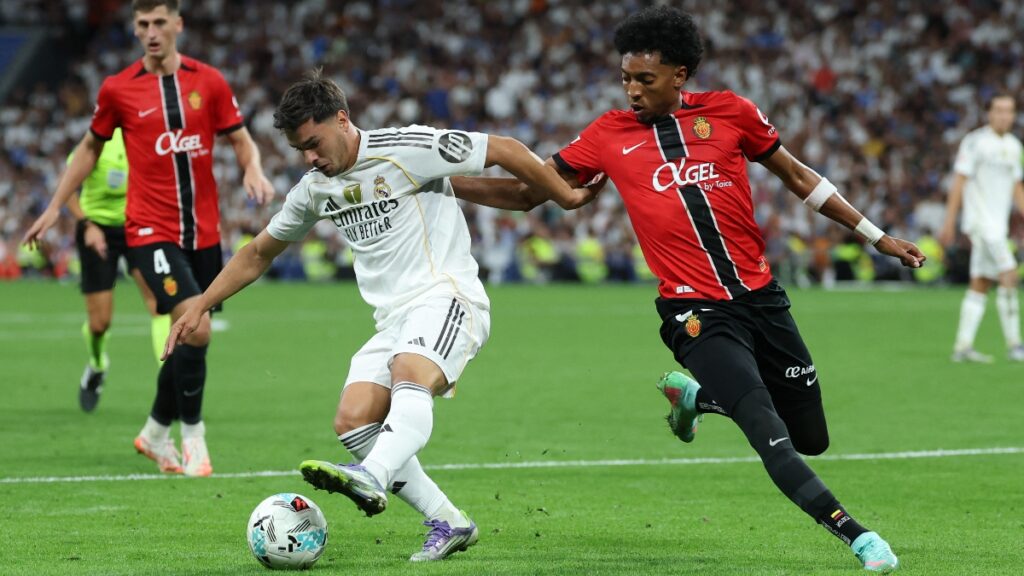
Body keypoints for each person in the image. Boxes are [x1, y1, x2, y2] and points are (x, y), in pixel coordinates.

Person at [457, 6, 924, 573]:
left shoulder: (731, 113)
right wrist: (436, 181)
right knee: (764, 427)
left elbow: (801, 178)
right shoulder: (607, 135)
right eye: (625, 78)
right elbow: (528, 193)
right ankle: (857, 536)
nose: (631, 90)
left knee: (811, 436)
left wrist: (876, 235)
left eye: (644, 80)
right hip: (693, 309)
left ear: (679, 75)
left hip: (761, 298)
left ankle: (695, 397)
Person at [162, 69, 593, 561]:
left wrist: (565, 196)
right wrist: (201, 302)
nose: (309, 157)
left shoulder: (406, 146)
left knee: (409, 375)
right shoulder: (314, 189)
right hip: (393, 320)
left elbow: (506, 149)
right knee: (353, 422)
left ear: (342, 120)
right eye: (300, 149)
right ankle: (449, 521)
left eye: (314, 143)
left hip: (447, 296)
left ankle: (372, 476)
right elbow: (259, 252)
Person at [23, 0, 274, 476]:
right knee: (196, 326)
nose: (152, 32)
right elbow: (89, 149)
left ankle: (155, 432)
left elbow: (241, 138)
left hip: (203, 233)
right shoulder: (119, 89)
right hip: (148, 231)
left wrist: (254, 170)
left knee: (191, 335)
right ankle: (193, 437)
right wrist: (56, 206)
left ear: (178, 24)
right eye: (143, 25)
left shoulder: (210, 82)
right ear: (136, 30)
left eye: (160, 22)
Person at [57, 128, 172, 412]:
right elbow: (68, 187)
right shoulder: (95, 141)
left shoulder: (145, 137)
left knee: (159, 304)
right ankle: (97, 365)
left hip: (136, 227)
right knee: (100, 324)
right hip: (96, 230)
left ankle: (168, 383)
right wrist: (86, 225)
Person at [939, 94, 1024, 363]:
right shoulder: (975, 142)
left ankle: (962, 347)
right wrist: (949, 221)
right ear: (989, 113)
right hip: (981, 223)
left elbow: (1016, 187)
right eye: (998, 110)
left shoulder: (1014, 146)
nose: (1003, 115)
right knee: (1009, 273)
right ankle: (1015, 345)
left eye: (1008, 111)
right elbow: (959, 181)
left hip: (997, 226)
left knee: (981, 283)